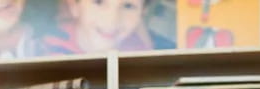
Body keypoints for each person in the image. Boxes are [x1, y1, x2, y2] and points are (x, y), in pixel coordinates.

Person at [43, 0, 175, 54]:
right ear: (74, 6)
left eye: (128, 6)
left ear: (142, 11)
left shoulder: (152, 50)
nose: (111, 22)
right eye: (99, 2)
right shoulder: (43, 47)